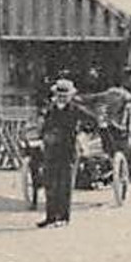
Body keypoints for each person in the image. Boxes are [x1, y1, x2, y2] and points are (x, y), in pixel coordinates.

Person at [36, 78, 97, 227]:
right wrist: (43, 138)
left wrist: (83, 132)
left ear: (70, 96)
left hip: (68, 150)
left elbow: (93, 121)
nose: (61, 98)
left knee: (64, 185)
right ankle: (50, 217)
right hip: (51, 150)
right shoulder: (50, 109)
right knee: (50, 184)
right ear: (55, 95)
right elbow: (44, 127)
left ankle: (63, 217)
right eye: (59, 95)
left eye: (65, 95)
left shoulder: (75, 109)